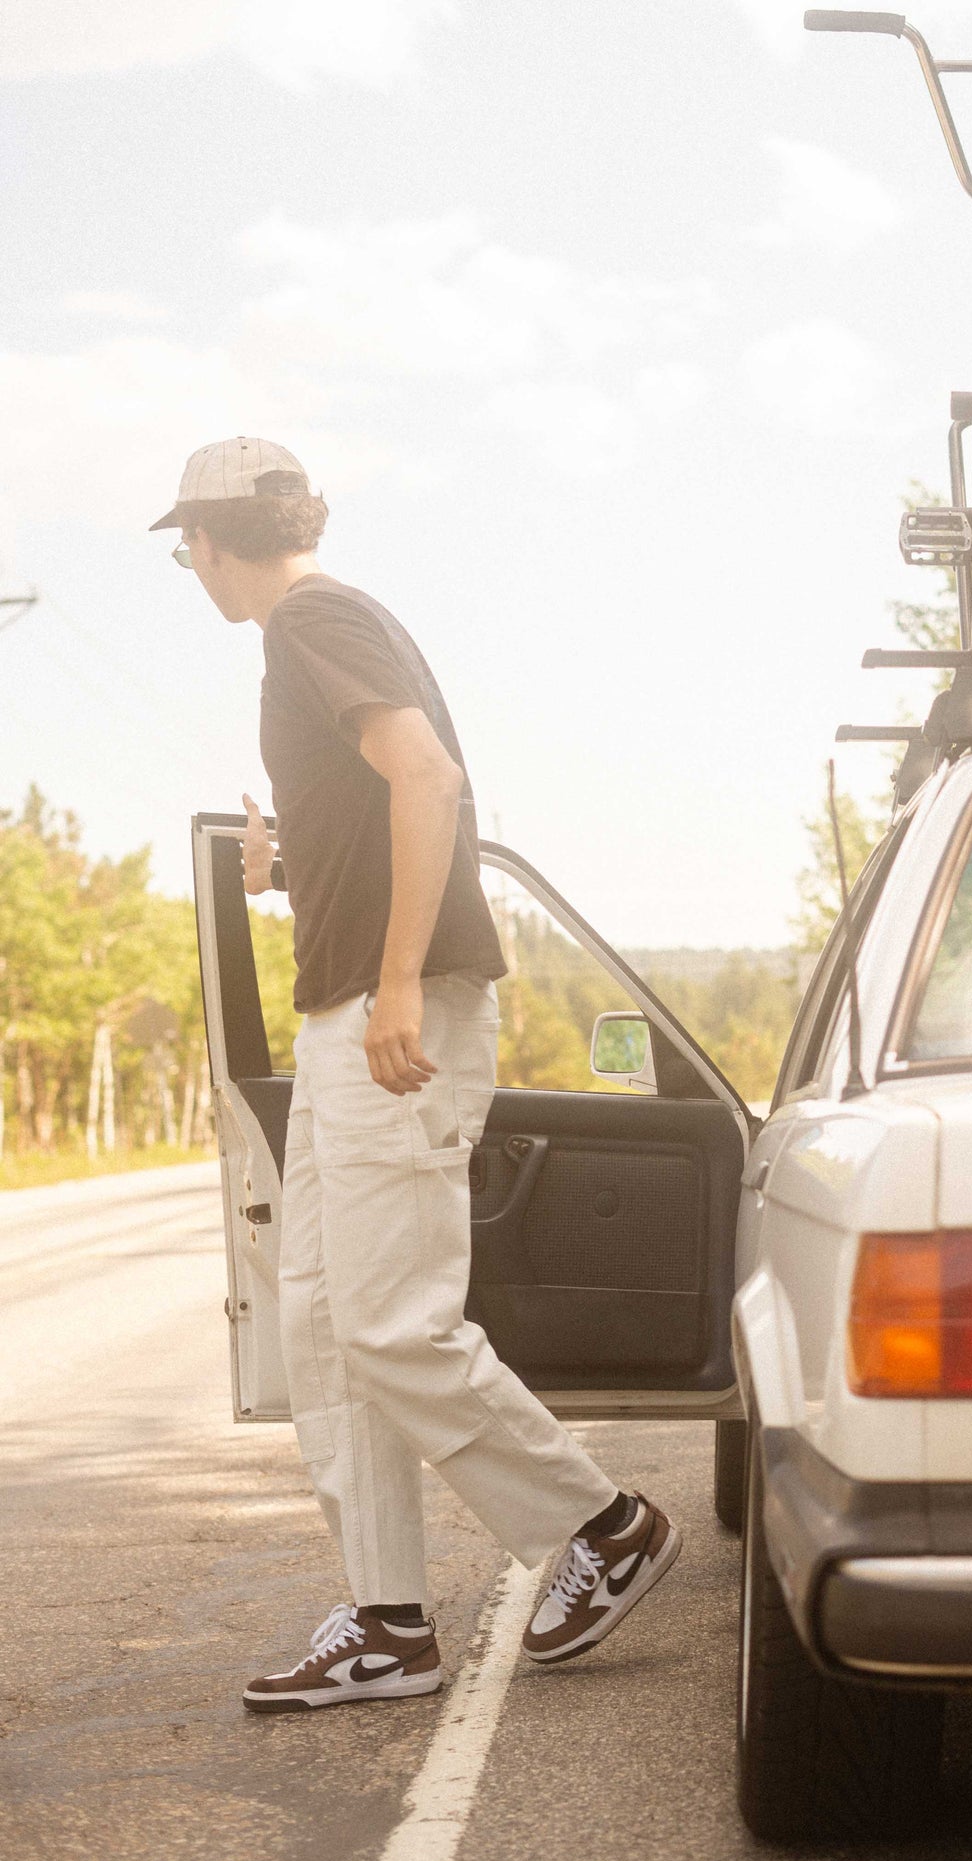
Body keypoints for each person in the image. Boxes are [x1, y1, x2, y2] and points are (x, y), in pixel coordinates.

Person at [153, 437, 679, 1712]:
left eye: (188, 545)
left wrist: (395, 982)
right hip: (348, 1012)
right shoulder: (323, 631)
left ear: (219, 538)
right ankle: (389, 1618)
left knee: (391, 1320)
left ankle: (601, 1524)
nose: (188, 567)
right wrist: (293, 874)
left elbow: (430, 780)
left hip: (395, 1015)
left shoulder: (315, 620)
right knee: (330, 1329)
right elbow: (387, 804)